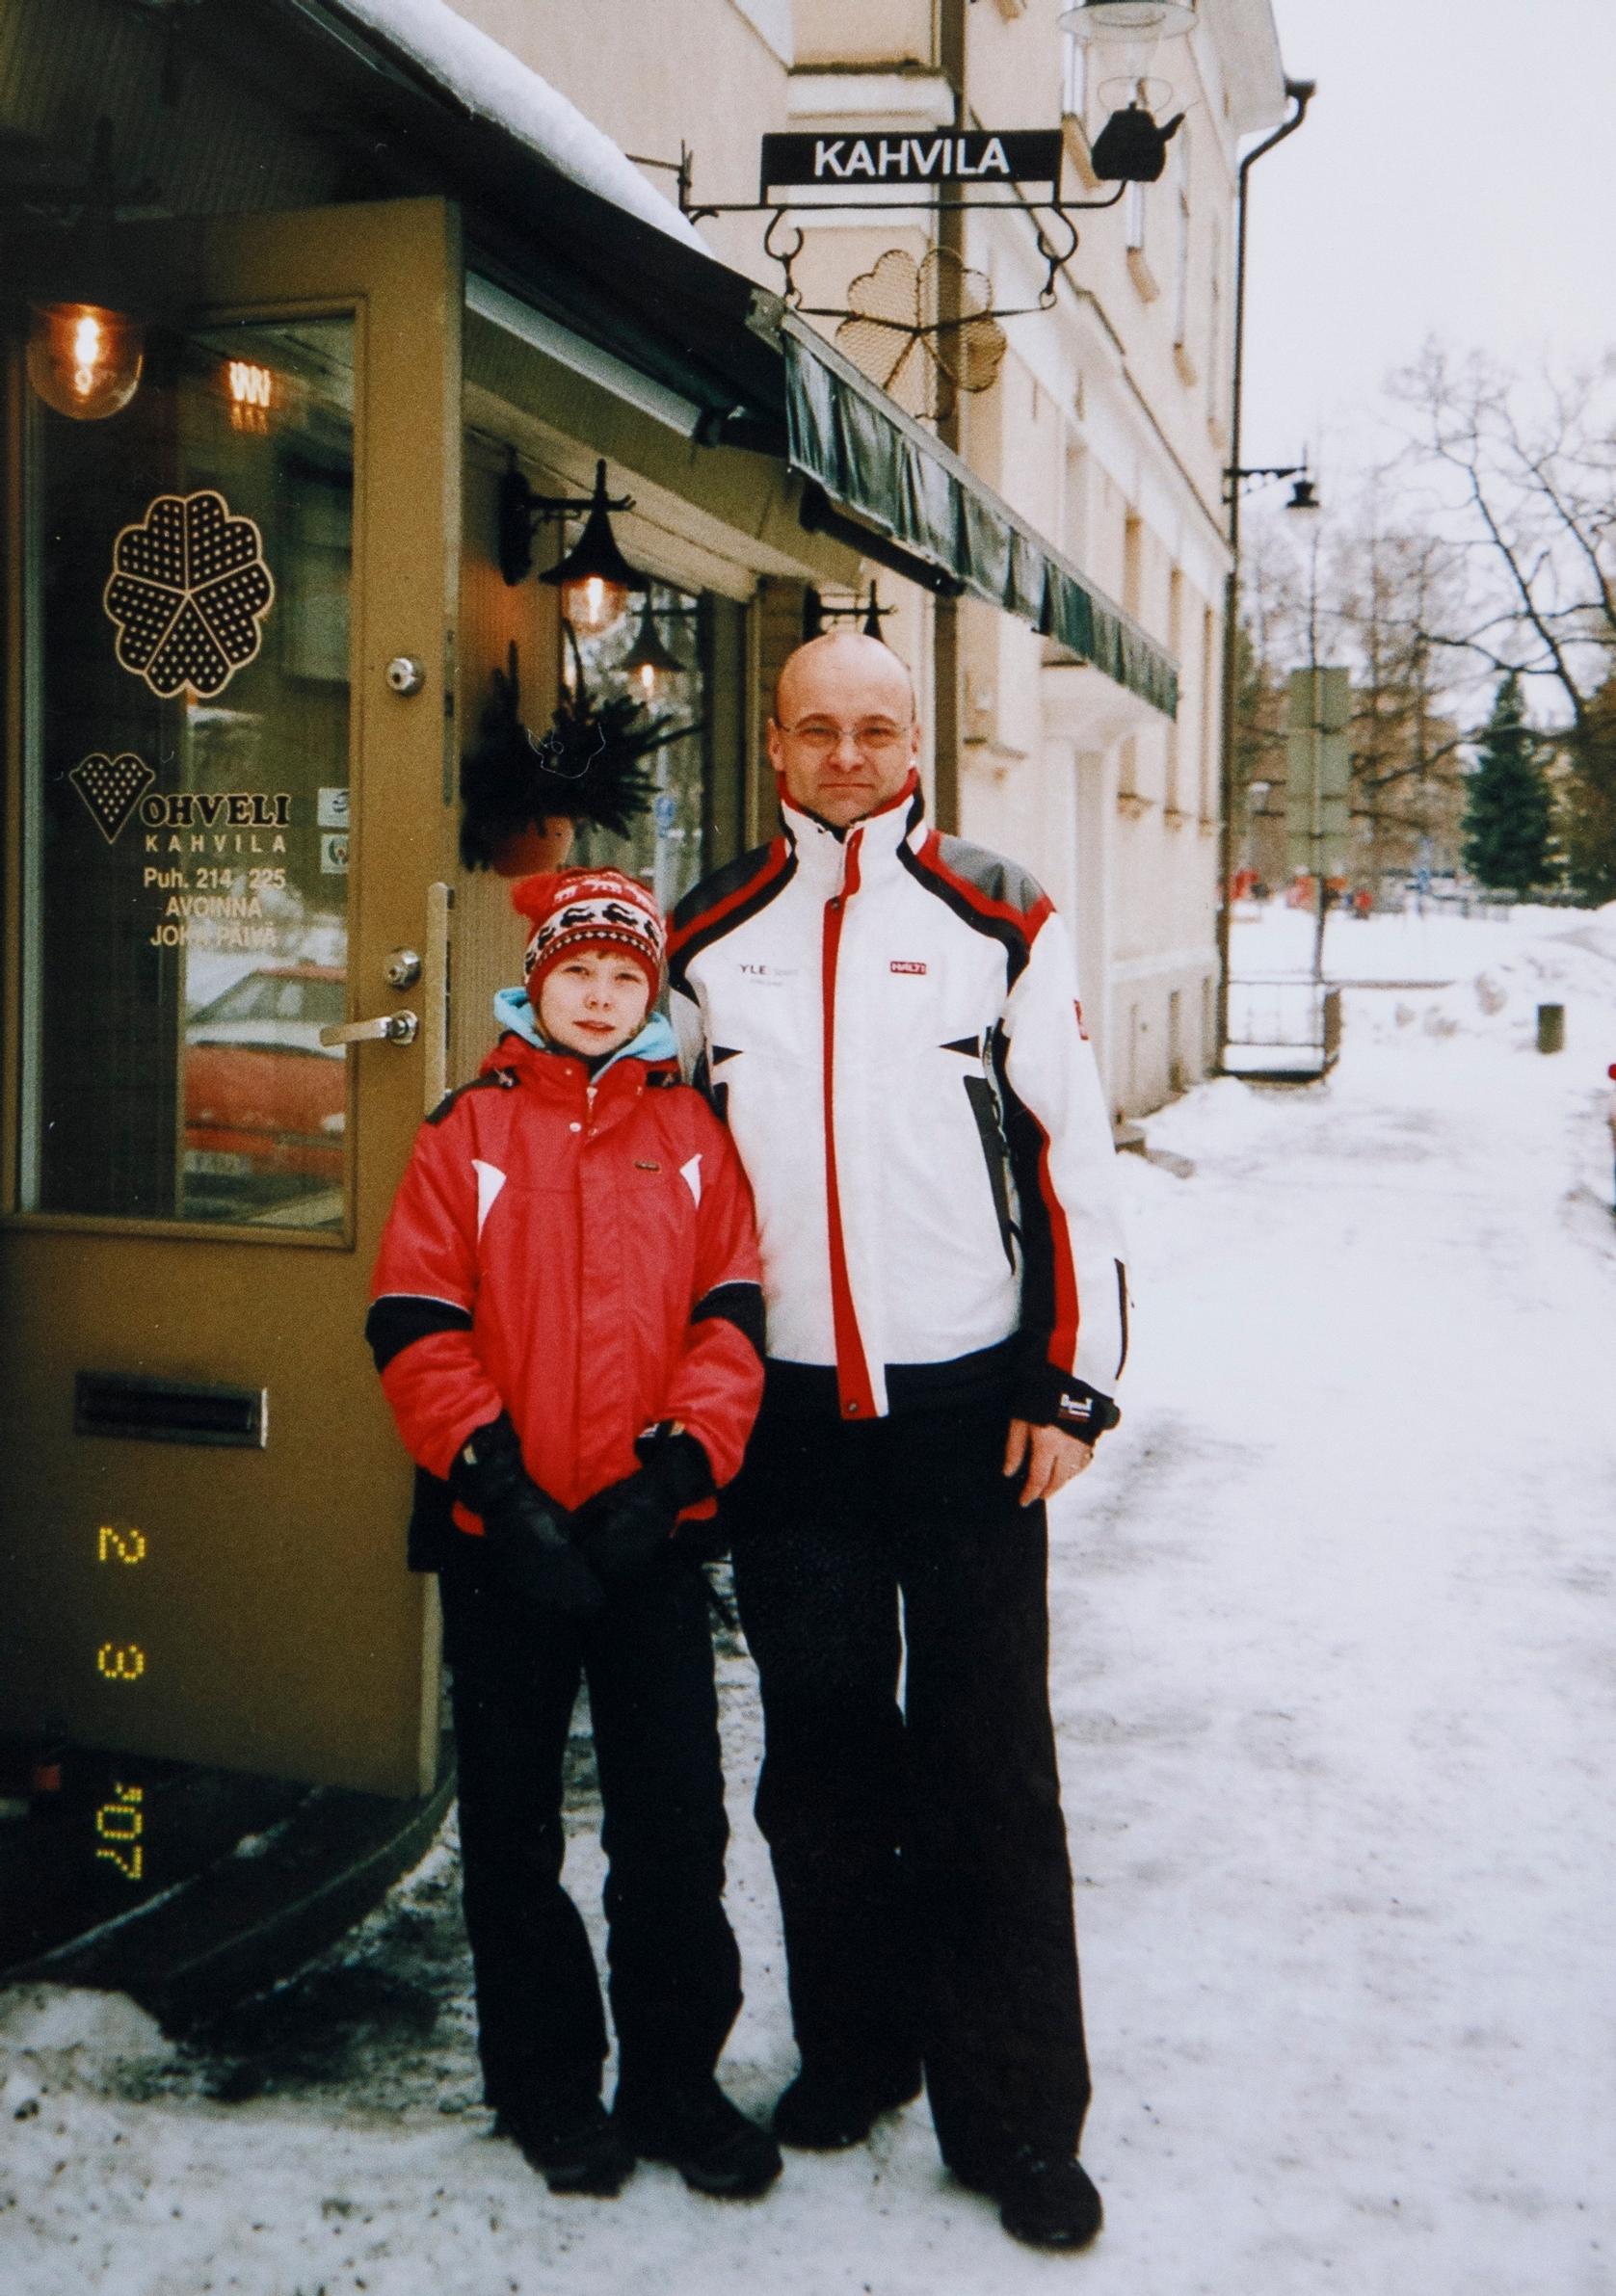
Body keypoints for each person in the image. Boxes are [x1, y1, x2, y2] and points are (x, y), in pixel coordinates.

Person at [668, 632, 1128, 2253]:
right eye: (817, 730)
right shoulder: (711, 936)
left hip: (962, 1416)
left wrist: (1063, 1384)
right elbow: (675, 1194)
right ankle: (856, 2047)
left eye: (876, 728)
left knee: (989, 1765)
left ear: (918, 740)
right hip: (789, 1424)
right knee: (820, 1753)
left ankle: (1015, 2114)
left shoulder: (998, 914)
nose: (848, 754)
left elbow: (1070, 1152)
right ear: (776, 749)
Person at [365, 867, 780, 2204]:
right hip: (513, 1540)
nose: (599, 997)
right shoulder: (466, 1133)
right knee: (512, 1824)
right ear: (533, 983)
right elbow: (415, 1323)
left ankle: (672, 2082)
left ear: (651, 997)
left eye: (624, 979)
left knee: (672, 1824)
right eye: (576, 974)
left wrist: (669, 1477)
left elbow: (730, 1322)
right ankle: (544, 2085)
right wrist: (499, 1483)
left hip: (646, 1536)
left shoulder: (695, 1139)